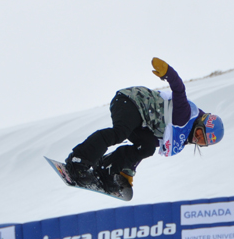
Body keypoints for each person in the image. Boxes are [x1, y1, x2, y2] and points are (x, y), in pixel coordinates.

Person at [64, 58, 225, 193]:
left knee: (148, 147)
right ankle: (79, 159)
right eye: (199, 133)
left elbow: (145, 144)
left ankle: (106, 169)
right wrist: (168, 72)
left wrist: (127, 171)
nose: (196, 139)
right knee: (120, 132)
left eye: (201, 141)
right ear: (199, 122)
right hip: (130, 102)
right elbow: (179, 89)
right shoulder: (184, 115)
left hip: (142, 123)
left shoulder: (178, 138)